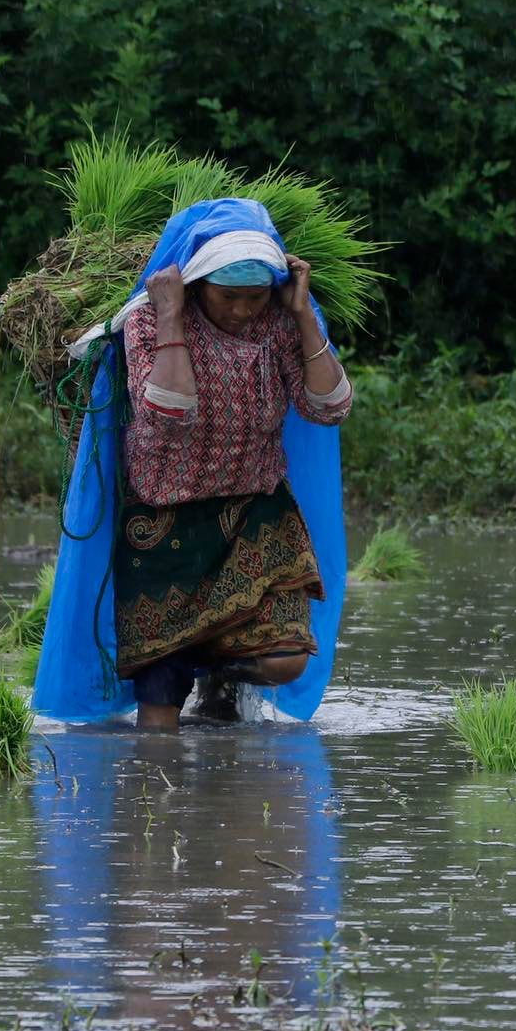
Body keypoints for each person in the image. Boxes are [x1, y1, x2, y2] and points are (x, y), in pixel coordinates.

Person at [115, 241, 353, 729]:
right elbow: (167, 417)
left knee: (286, 658)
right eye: (228, 297)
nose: (243, 311)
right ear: (198, 285)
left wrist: (304, 315)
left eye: (255, 297)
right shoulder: (147, 321)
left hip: (255, 513)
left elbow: (330, 408)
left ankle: (221, 672)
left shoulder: (277, 326)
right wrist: (170, 316)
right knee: (159, 716)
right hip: (165, 526)